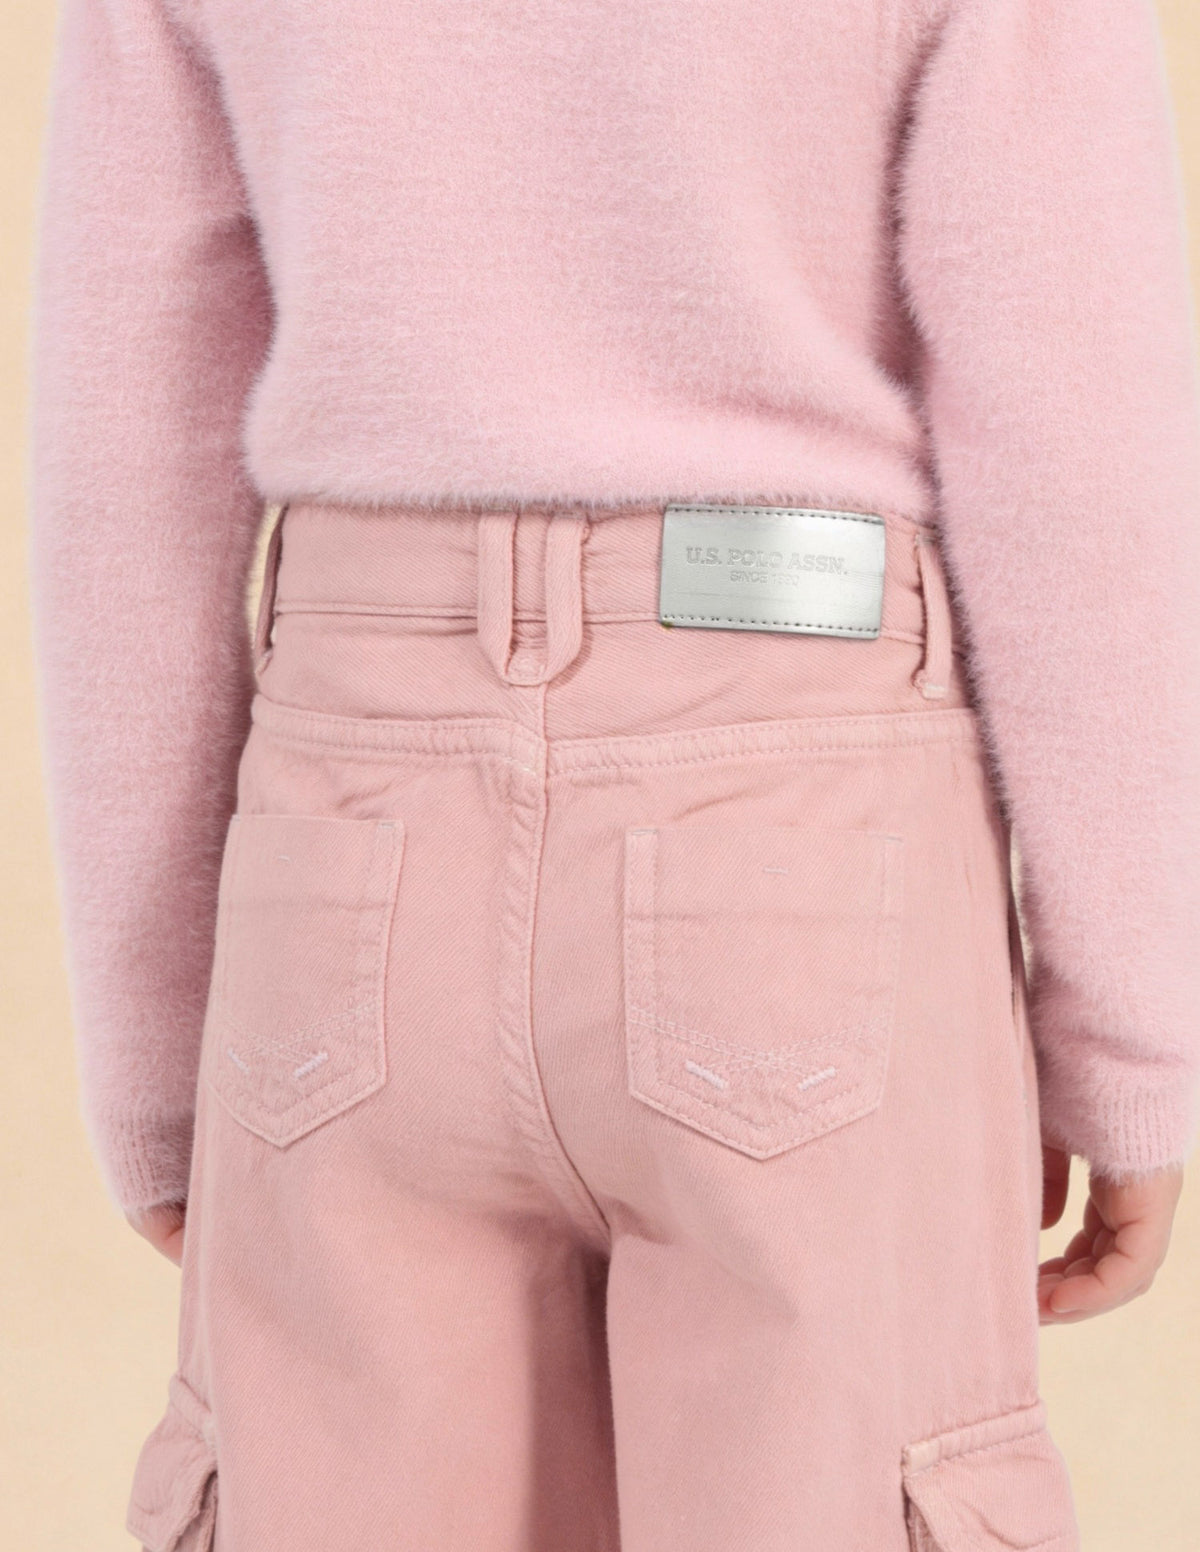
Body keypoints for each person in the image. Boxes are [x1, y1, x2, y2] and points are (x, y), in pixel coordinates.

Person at [26, 0, 1200, 1547]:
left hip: (350, 853)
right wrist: (1129, 1049)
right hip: (803, 850)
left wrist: (155, 1049)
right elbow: (1076, 426)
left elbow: (127, 426)